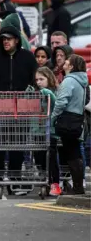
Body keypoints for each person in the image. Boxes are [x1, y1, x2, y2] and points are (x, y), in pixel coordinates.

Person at [0, 19, 38, 193]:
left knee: (17, 148)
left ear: (17, 40)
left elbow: (35, 82)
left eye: (9, 38)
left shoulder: (28, 57)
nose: (6, 41)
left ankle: (15, 182)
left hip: (21, 110)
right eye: (3, 38)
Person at [51, 54, 88, 195]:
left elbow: (61, 102)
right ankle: (78, 185)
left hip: (67, 119)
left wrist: (53, 118)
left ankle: (77, 188)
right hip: (77, 119)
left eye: (67, 61)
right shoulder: (81, 81)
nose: (65, 62)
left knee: (71, 154)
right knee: (75, 153)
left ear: (71, 66)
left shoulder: (69, 81)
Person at [32, 67, 62, 196]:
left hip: (51, 131)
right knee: (38, 157)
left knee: (51, 158)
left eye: (41, 79)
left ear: (49, 78)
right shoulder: (37, 93)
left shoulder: (52, 92)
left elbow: (56, 106)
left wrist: (48, 93)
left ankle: (55, 183)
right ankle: (45, 181)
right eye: (37, 80)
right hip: (37, 131)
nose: (38, 82)